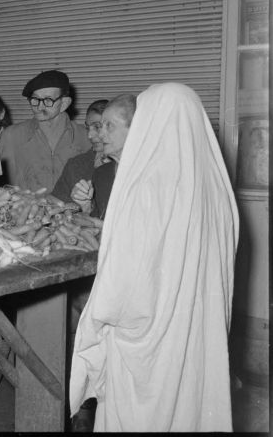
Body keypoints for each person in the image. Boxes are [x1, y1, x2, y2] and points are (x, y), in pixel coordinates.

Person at [69, 82, 238, 432]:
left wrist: (95, 323)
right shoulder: (217, 189)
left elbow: (127, 282)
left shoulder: (145, 186)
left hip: (150, 342)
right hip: (196, 333)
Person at [0, 70, 89, 193]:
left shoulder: (85, 136)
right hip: (26, 210)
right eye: (35, 99)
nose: (39, 107)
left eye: (48, 100)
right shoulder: (12, 136)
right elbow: (2, 187)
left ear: (64, 103)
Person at [70, 94, 136, 219]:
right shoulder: (101, 174)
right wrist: (86, 207)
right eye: (101, 126)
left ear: (134, 128)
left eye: (108, 126)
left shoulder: (153, 174)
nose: (100, 134)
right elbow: (97, 230)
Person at [52, 99, 109, 203]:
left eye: (97, 127)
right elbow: (55, 203)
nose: (89, 135)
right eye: (87, 128)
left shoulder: (131, 166)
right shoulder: (76, 165)